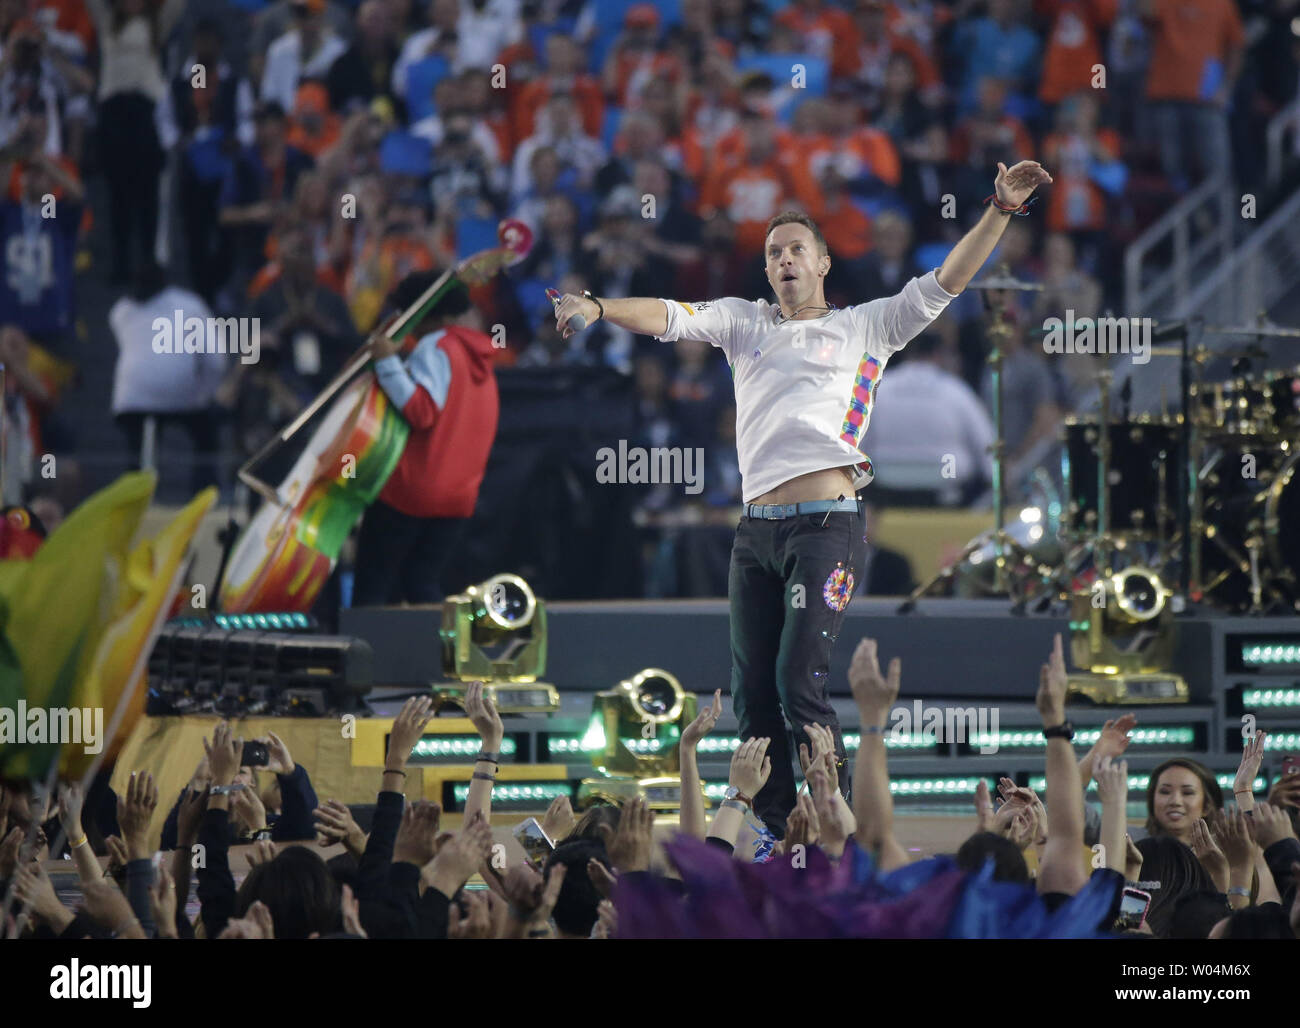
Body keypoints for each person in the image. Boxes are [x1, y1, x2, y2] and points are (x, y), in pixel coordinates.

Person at [552, 160, 1053, 836]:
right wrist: (598, 306)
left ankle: (831, 822)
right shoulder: (742, 324)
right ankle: (769, 831)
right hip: (754, 531)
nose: (784, 258)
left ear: (821, 263)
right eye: (773, 253)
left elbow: (950, 282)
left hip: (827, 526)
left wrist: (999, 207)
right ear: (767, 272)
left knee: (796, 682)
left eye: (796, 249)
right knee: (755, 696)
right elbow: (669, 316)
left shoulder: (866, 327)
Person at [351, 270, 499, 605]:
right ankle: (438, 656)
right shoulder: (481, 359)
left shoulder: (436, 347)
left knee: (373, 588)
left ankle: (361, 654)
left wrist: (387, 362)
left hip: (410, 493)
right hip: (457, 501)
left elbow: (422, 410)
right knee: (420, 585)